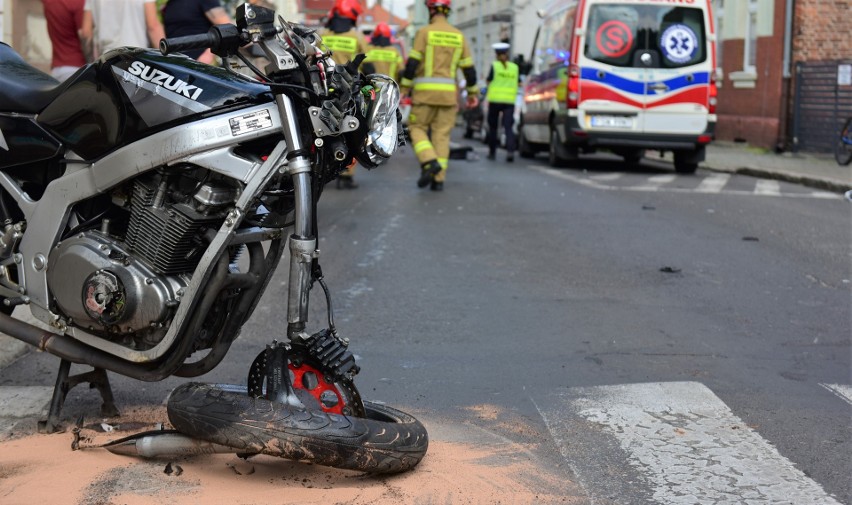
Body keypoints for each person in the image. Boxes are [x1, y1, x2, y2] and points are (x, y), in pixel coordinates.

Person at [399, 0, 478, 191]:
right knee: (442, 136)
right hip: (448, 96)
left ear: (430, 10)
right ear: (448, 11)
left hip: (425, 95)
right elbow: (469, 69)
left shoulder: (424, 32)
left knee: (416, 128)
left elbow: (412, 65)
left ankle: (429, 161)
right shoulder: (459, 36)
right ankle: (439, 179)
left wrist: (404, 89)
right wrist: (472, 93)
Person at [320, 0, 370, 189]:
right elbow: (368, 62)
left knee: (324, 127)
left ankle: (323, 167)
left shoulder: (323, 35)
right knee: (351, 130)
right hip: (349, 92)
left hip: (324, 89)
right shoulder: (357, 37)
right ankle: (347, 173)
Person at [80, 0, 165, 62]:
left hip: (106, 58)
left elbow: (86, 33)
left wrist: (91, 62)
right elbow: (153, 27)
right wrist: (166, 58)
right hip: (136, 58)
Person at [161, 0, 232, 65]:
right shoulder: (169, 5)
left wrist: (208, 55)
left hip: (200, 63)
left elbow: (227, 30)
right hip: (175, 63)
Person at [485, 42, 520, 162]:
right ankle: (510, 151)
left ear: (496, 54)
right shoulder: (514, 68)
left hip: (495, 100)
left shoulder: (495, 66)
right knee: (508, 127)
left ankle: (492, 152)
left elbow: (488, 81)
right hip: (509, 101)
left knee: (493, 127)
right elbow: (519, 83)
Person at [43, 0, 86, 81]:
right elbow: (85, 35)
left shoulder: (49, 3)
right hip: (78, 69)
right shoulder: (79, 3)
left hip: (57, 70)